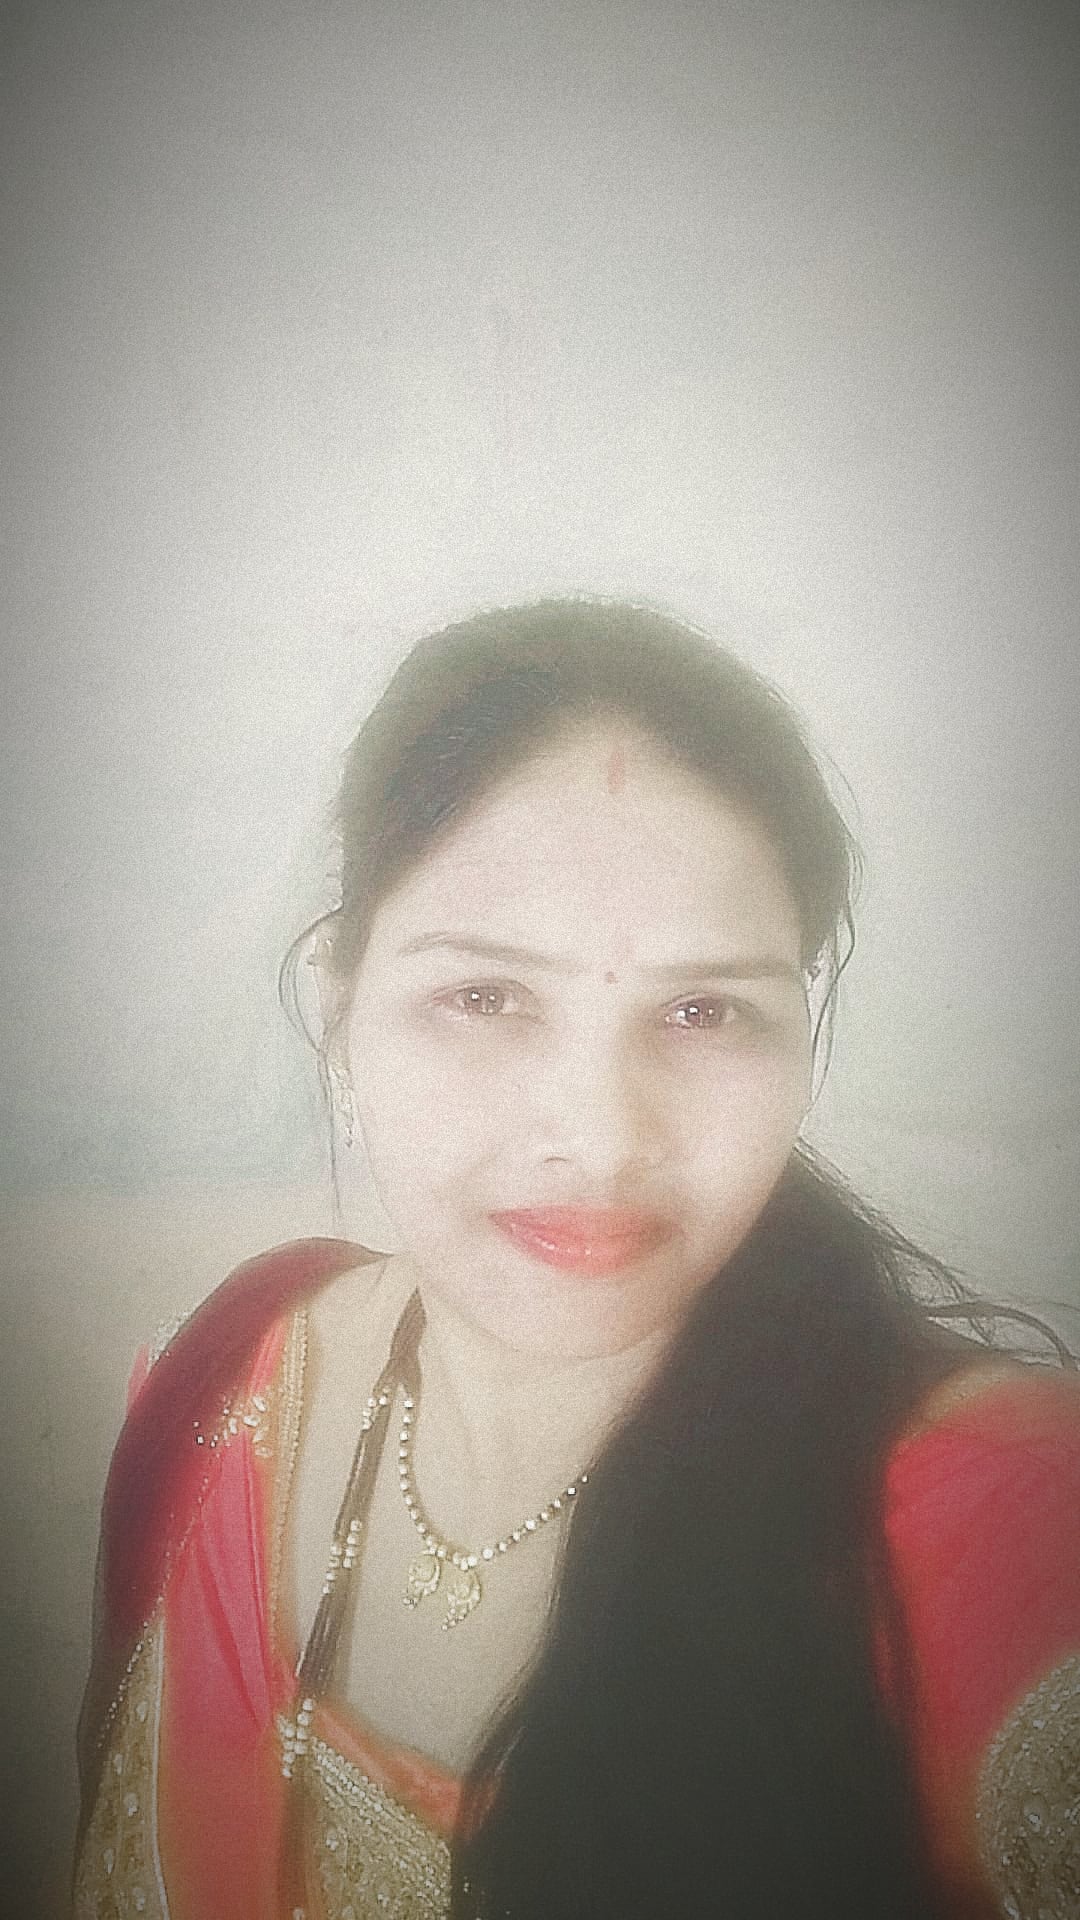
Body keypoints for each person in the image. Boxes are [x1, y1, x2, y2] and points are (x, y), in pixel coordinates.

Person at [73, 600, 1080, 1920]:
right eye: (486, 997)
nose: (601, 1140)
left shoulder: (1009, 1522)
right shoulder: (228, 1377)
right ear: (339, 1007)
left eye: (704, 1010)